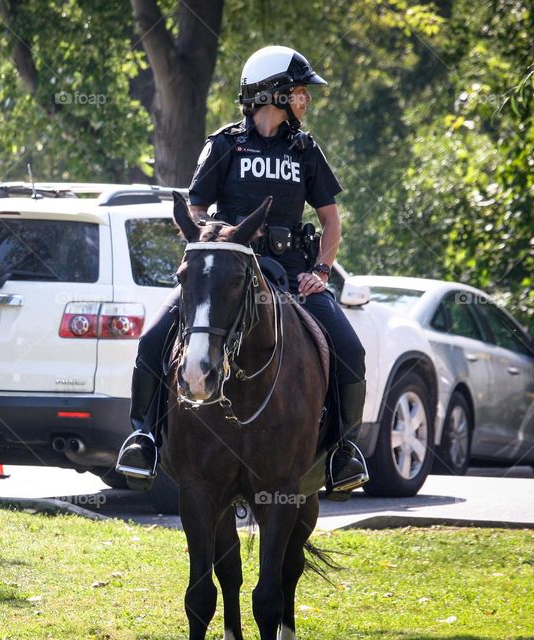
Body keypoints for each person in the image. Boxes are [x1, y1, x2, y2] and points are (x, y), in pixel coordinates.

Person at [116, 45, 368, 501]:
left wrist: (322, 270)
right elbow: (193, 208)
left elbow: (332, 220)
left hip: (291, 277)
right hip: (228, 273)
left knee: (349, 347)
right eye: (298, 91)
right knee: (153, 339)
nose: (305, 99)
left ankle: (343, 452)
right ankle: (144, 439)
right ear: (271, 93)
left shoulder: (306, 150)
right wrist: (218, 236)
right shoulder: (224, 144)